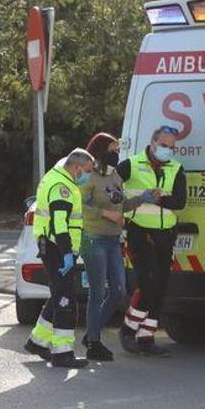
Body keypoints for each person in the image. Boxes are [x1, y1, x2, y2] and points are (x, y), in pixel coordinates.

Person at [79, 133, 159, 361]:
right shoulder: (89, 177)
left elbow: (121, 205)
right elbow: (80, 206)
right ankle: (94, 341)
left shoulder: (114, 177)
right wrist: (105, 213)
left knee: (119, 291)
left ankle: (92, 333)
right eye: (112, 150)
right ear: (101, 151)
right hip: (93, 238)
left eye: (117, 150)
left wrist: (144, 198)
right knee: (97, 292)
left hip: (113, 239)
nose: (116, 154)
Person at [116, 126, 187, 356]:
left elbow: (180, 201)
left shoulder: (176, 168)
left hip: (165, 232)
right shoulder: (131, 164)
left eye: (172, 147)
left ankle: (146, 337)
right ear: (153, 142)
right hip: (139, 230)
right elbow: (110, 190)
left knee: (161, 286)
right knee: (147, 283)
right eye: (164, 145)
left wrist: (158, 200)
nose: (168, 150)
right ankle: (128, 329)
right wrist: (136, 200)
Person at [24, 149, 96, 368]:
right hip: (57, 249)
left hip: (56, 248)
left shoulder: (59, 178)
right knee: (66, 301)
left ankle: (38, 342)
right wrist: (66, 253)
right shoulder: (62, 187)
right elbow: (59, 223)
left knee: (59, 295)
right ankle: (62, 353)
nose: (88, 176)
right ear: (76, 168)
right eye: (87, 171)